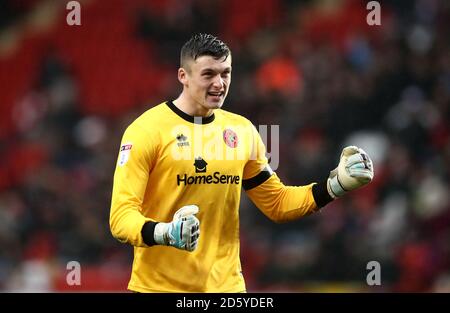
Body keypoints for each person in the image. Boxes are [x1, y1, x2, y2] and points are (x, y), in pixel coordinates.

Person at [109, 33, 374, 293]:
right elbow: (121, 218)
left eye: (226, 73)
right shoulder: (145, 131)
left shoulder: (242, 131)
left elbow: (277, 203)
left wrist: (335, 186)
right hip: (158, 289)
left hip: (228, 290)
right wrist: (165, 233)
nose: (219, 83)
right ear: (183, 76)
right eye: (208, 74)